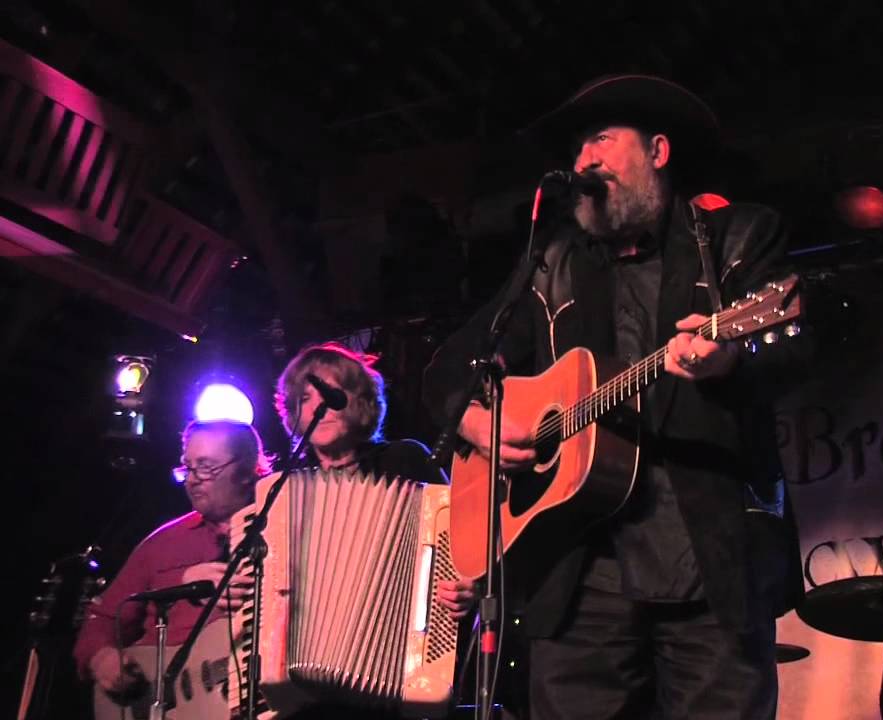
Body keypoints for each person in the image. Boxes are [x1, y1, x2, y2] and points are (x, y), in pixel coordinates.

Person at [422, 74, 808, 719]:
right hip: (577, 575)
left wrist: (727, 361)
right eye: (576, 150)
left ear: (658, 151)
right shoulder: (552, 263)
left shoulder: (737, 234)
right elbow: (445, 371)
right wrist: (481, 426)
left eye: (601, 140)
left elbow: (797, 348)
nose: (583, 162)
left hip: (707, 564)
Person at [273, 340, 476, 622]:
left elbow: (465, 535)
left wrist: (465, 583)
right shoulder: (284, 493)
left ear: (361, 401)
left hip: (404, 636)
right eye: (305, 398)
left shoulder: (404, 460)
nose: (319, 405)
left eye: (331, 393)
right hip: (304, 656)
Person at [73, 420, 269, 698]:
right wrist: (102, 658)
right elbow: (103, 620)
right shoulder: (162, 544)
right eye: (188, 467)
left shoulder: (283, 529)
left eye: (206, 467)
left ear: (248, 470)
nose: (192, 479)